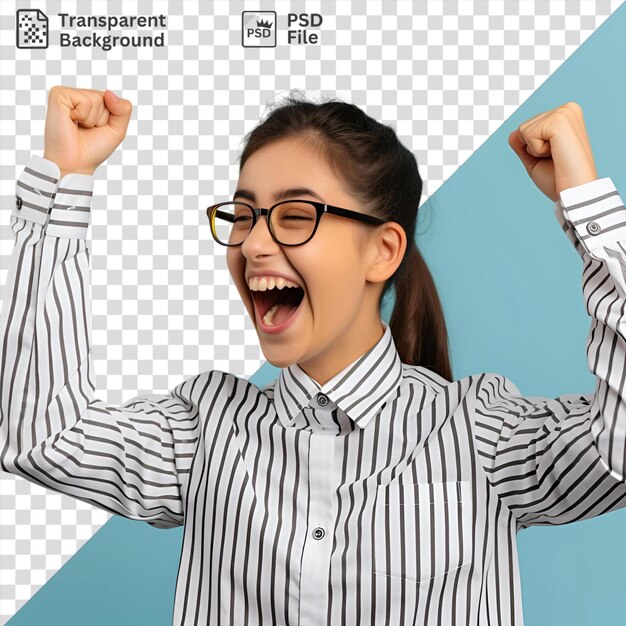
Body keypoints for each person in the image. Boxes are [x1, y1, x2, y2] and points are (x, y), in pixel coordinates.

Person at [1, 86, 625, 626]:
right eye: (244, 216)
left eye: (295, 216)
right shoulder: (204, 432)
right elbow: (42, 437)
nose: (254, 244)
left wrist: (587, 202)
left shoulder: (479, 431)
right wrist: (63, 180)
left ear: (382, 252)